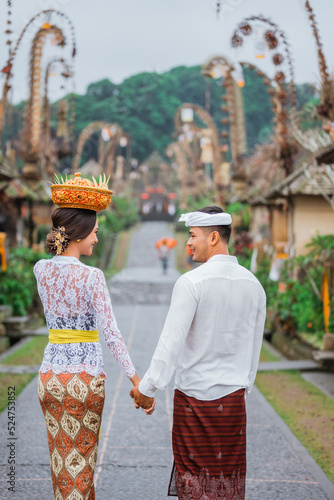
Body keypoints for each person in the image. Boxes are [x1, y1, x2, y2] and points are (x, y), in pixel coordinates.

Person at [130, 206, 266, 500]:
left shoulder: (191, 282)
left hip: (193, 402)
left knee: (194, 485)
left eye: (193, 236)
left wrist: (146, 388)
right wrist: (243, 385)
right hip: (233, 405)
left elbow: (170, 343)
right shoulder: (254, 286)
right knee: (227, 486)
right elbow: (254, 351)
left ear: (214, 237)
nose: (188, 242)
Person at [34, 173, 155, 500]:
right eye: (95, 234)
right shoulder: (93, 276)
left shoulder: (39, 270)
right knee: (82, 468)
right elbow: (112, 333)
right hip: (84, 381)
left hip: (50, 379)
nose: (97, 240)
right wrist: (135, 380)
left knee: (61, 468)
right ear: (80, 233)